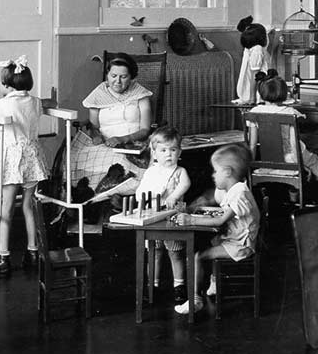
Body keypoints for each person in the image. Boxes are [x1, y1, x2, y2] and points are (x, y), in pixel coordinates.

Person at [0, 56, 52, 274]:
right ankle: (33, 251)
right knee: (28, 205)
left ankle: (3, 257)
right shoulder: (35, 102)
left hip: (12, 159)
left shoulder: (2, 103)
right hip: (33, 157)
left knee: (6, 208)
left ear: (5, 85)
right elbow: (51, 103)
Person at [172, 145, 261, 315]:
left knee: (198, 256)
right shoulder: (237, 189)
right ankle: (214, 284)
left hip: (240, 245)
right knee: (212, 241)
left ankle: (195, 300)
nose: (213, 175)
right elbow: (225, 214)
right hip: (236, 239)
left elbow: (221, 219)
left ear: (227, 172)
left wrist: (191, 219)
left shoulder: (239, 193)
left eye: (215, 171)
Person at [73, 52, 154, 194]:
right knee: (85, 159)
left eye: (123, 77)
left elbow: (145, 129)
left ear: (131, 77)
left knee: (119, 162)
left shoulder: (141, 95)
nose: (117, 81)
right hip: (105, 145)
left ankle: (110, 202)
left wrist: (122, 139)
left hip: (134, 144)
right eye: (113, 76)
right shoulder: (98, 95)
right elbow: (94, 126)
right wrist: (95, 134)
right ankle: (91, 201)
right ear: (107, 75)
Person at [136, 126, 192, 305]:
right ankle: (152, 284)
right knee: (154, 251)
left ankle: (179, 286)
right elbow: (140, 192)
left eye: (173, 150)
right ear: (154, 152)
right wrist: (150, 194)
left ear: (179, 152)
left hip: (173, 215)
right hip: (154, 214)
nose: (168, 154)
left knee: (175, 252)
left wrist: (174, 196)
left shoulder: (180, 171)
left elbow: (185, 185)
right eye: (163, 150)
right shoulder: (151, 172)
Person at [247, 70, 318, 183]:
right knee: (316, 162)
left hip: (267, 159)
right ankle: (317, 193)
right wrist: (300, 166)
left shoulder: (254, 112)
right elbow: (294, 144)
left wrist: (250, 167)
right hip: (290, 159)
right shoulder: (290, 112)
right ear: (283, 93)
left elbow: (252, 145)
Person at [235, 15, 270, 104]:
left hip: (253, 90)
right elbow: (255, 76)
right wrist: (252, 98)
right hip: (255, 92)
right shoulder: (257, 50)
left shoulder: (251, 48)